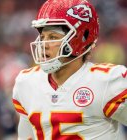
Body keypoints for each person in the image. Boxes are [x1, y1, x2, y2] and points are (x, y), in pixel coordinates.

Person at [12, 0, 127, 139]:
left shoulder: (108, 81)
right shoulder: (26, 82)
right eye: (42, 37)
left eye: (52, 37)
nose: (43, 44)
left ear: (80, 39)